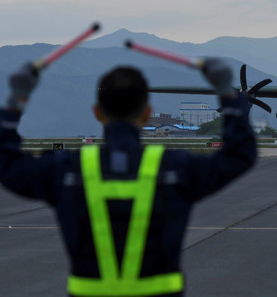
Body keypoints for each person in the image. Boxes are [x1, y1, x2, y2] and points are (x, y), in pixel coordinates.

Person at [0, 59, 257, 296]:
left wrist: (16, 98)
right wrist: (229, 95)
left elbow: (7, 162)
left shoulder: (66, 169)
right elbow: (239, 155)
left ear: (97, 112)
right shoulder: (176, 167)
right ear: (146, 114)